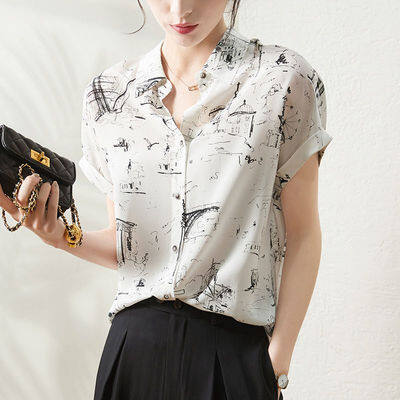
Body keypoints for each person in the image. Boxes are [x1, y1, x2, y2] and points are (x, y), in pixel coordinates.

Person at [0, 0, 333, 399]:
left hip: (233, 353)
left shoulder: (282, 79)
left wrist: (277, 363)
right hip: (133, 348)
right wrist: (60, 237)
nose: (179, 10)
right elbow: (130, 247)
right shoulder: (109, 96)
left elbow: (303, 234)